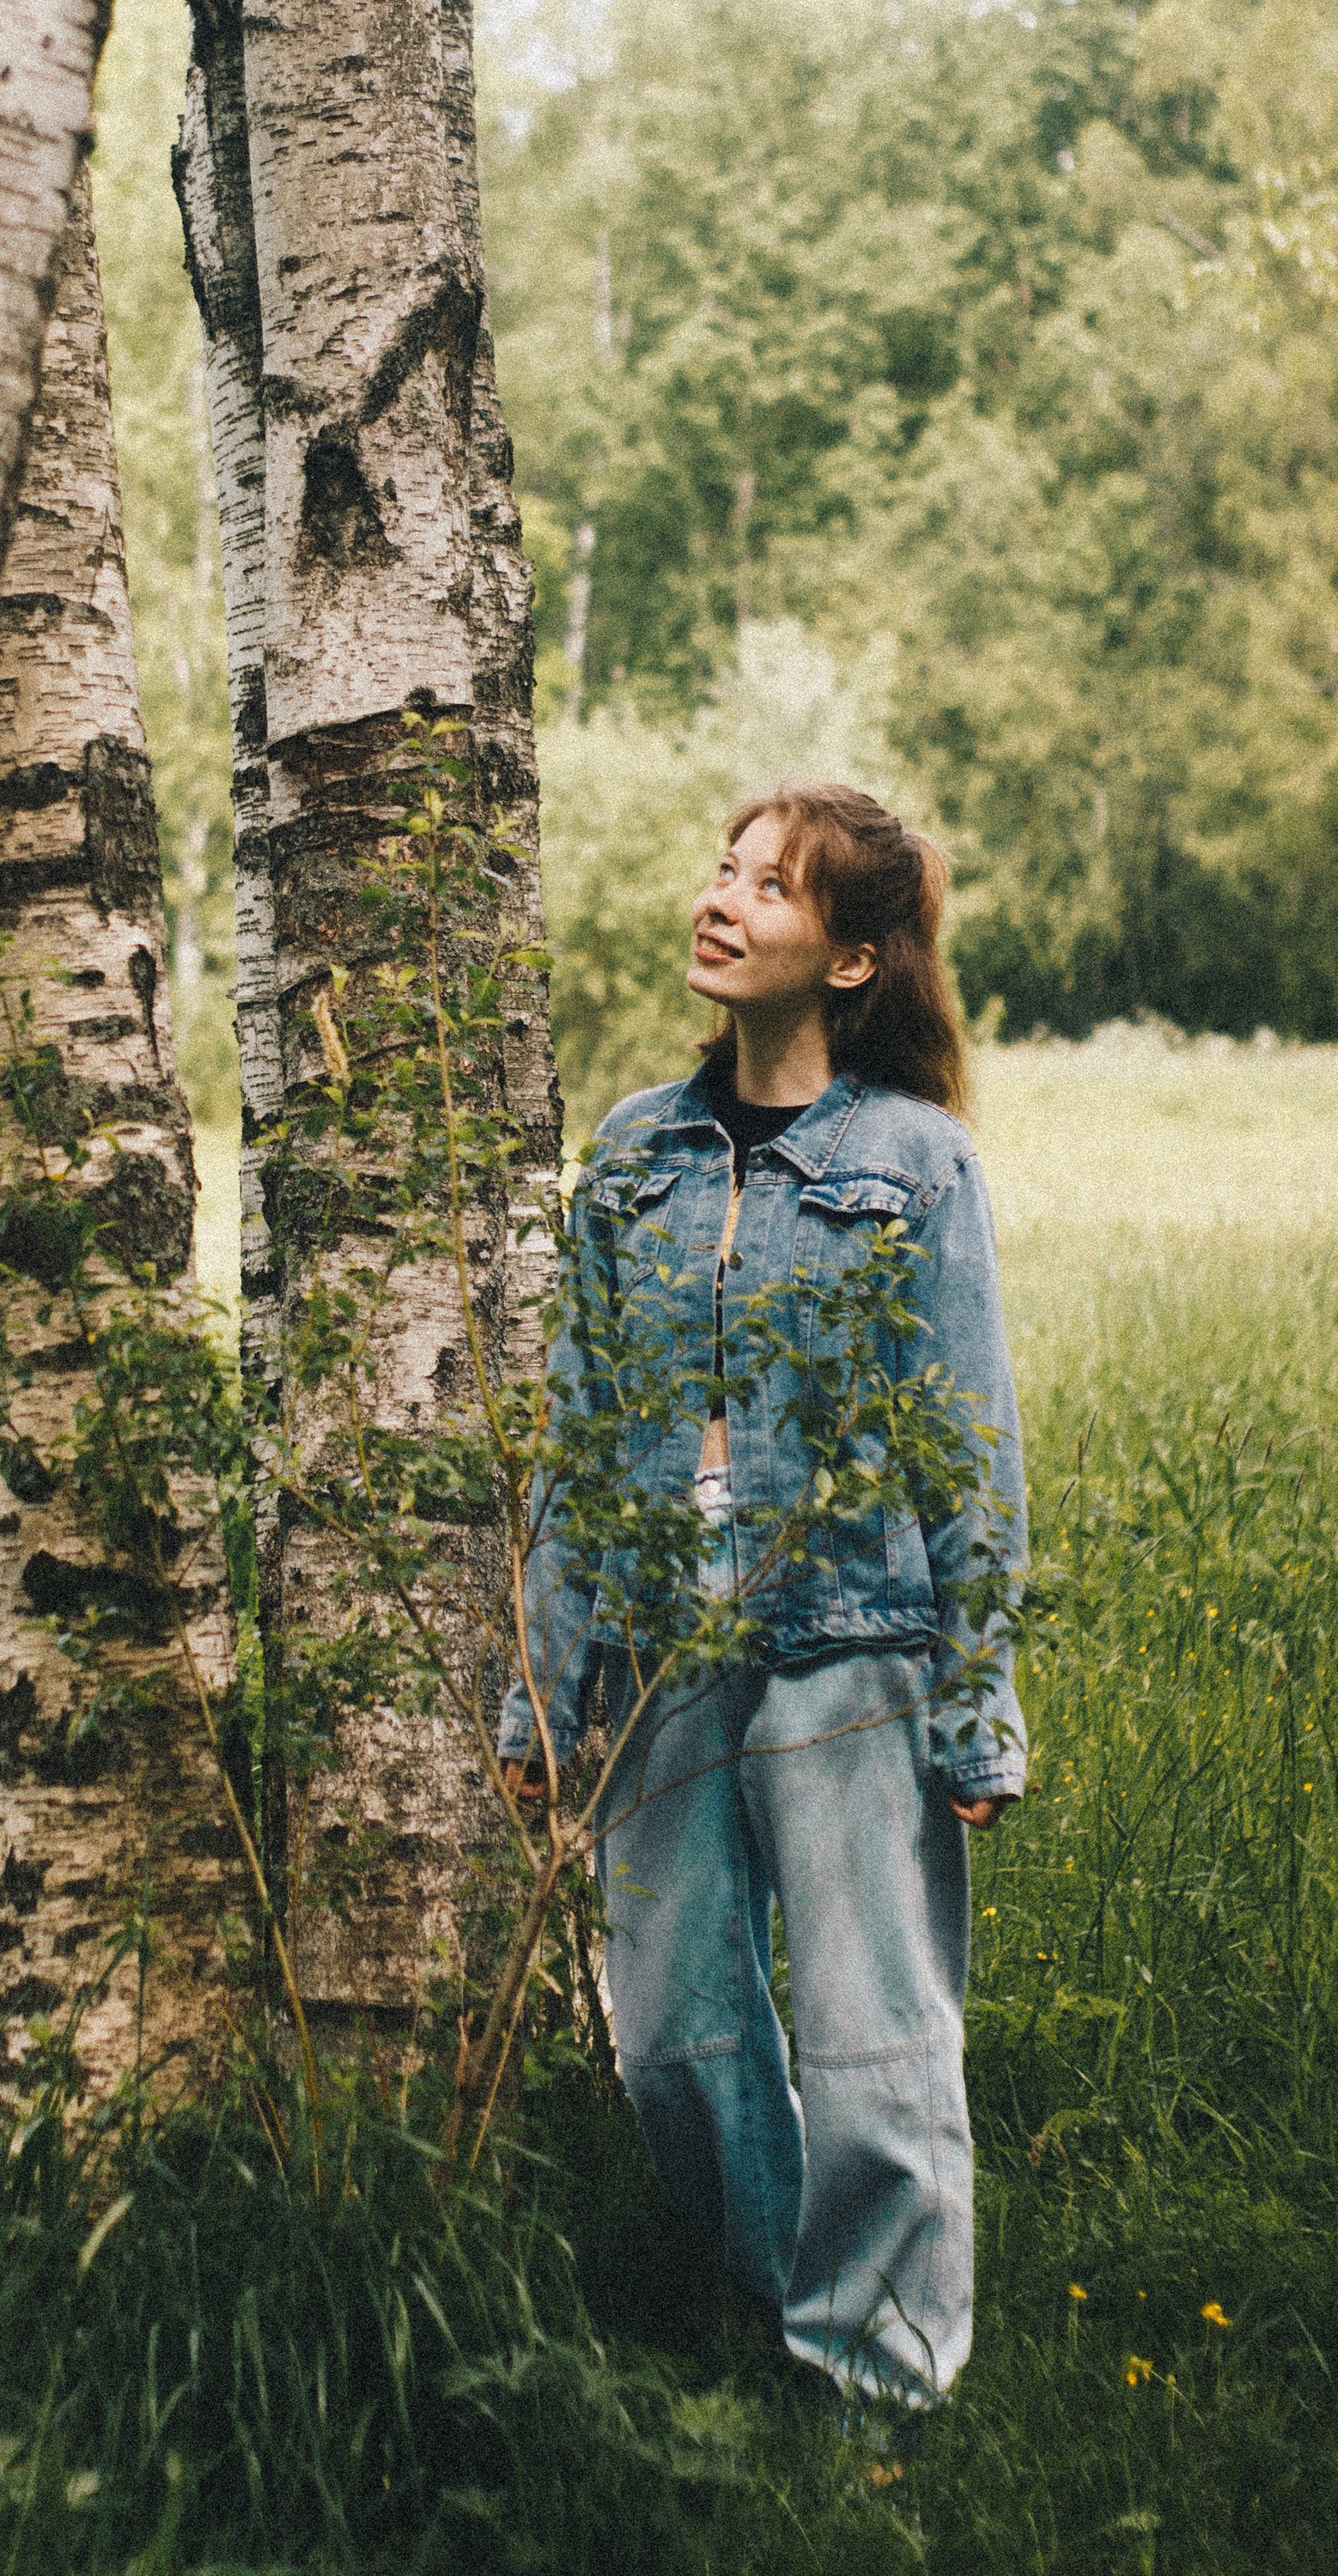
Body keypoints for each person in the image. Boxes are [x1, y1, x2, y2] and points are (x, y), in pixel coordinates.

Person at [497, 783, 1025, 2420]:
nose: (722, 901)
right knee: (671, 2032)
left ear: (852, 961)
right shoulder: (635, 1154)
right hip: (663, 1650)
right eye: (722, 871)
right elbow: (583, 1430)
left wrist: (977, 1698)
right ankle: (762, 2301)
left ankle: (870, 2376)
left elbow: (970, 1434)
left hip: (850, 1644)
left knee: (874, 2041)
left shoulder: (916, 1165)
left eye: (771, 888)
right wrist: (545, 1684)